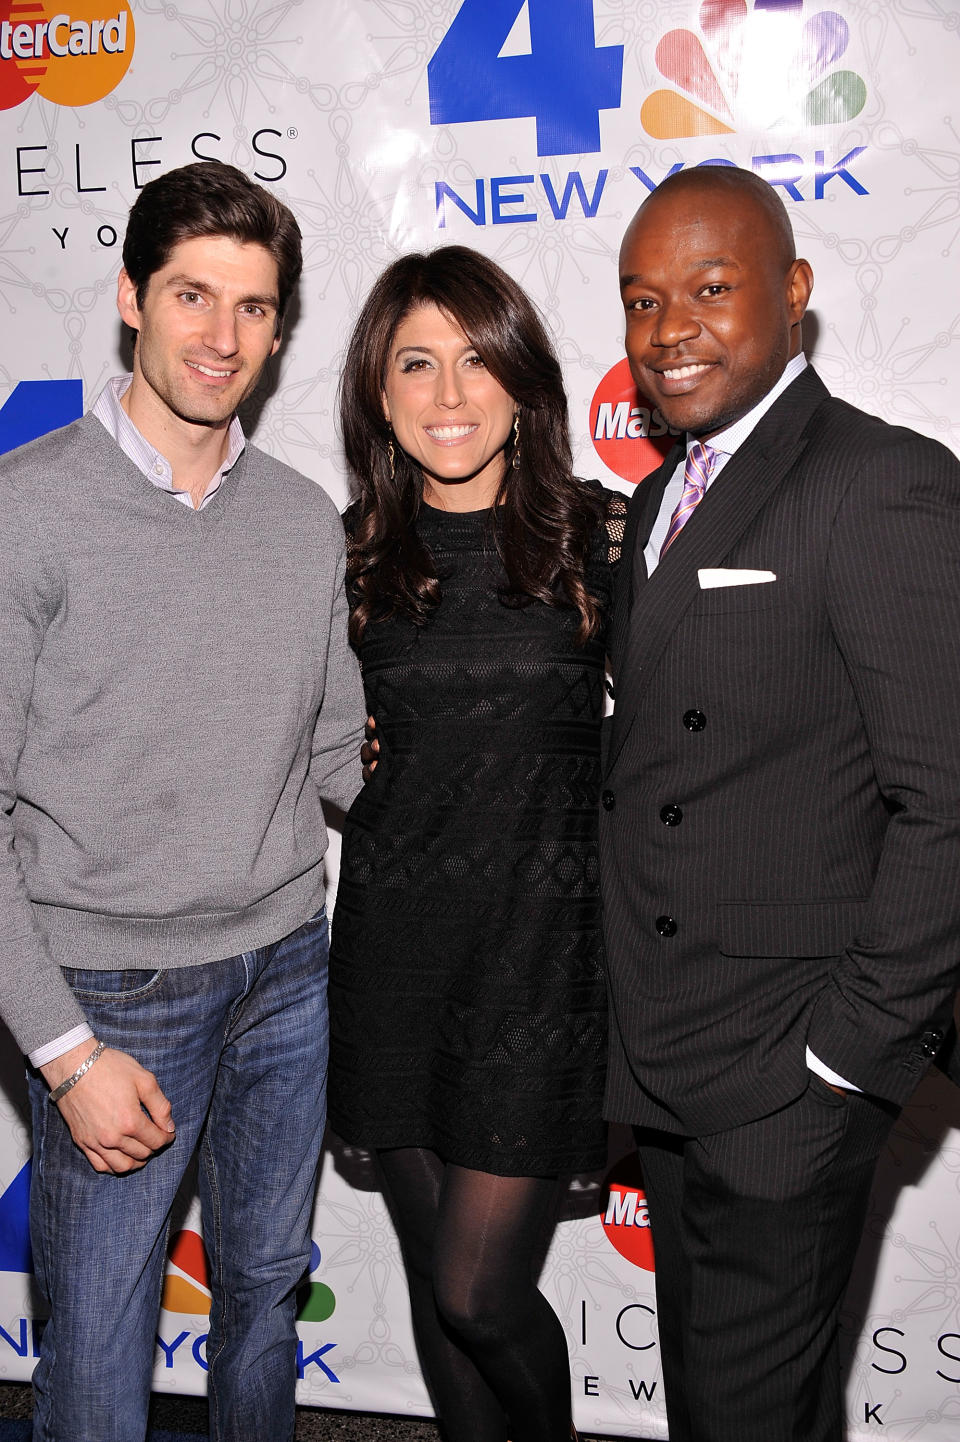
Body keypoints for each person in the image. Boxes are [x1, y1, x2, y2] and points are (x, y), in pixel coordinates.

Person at [0, 160, 366, 1442]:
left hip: (287, 970)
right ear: (130, 300)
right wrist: (65, 1051)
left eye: (255, 307)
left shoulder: (305, 519)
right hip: (110, 993)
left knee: (265, 1292)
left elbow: (340, 762)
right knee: (98, 1353)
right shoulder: (27, 510)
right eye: (194, 296)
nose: (223, 337)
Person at [599, 163, 960, 1441]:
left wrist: (843, 1060)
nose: (668, 331)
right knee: (730, 1408)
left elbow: (947, 806)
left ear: (793, 292)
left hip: (789, 1078)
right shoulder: (657, 496)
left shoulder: (881, 482)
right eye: (642, 302)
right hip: (673, 1061)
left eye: (709, 289)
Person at [327, 245, 624, 1442]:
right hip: (396, 951)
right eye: (416, 364)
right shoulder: (345, 553)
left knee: (478, 1289)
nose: (449, 395)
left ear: (522, 383)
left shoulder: (598, 537)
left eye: (475, 361)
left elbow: (682, 740)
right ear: (379, 394)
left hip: (542, 963)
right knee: (435, 1296)